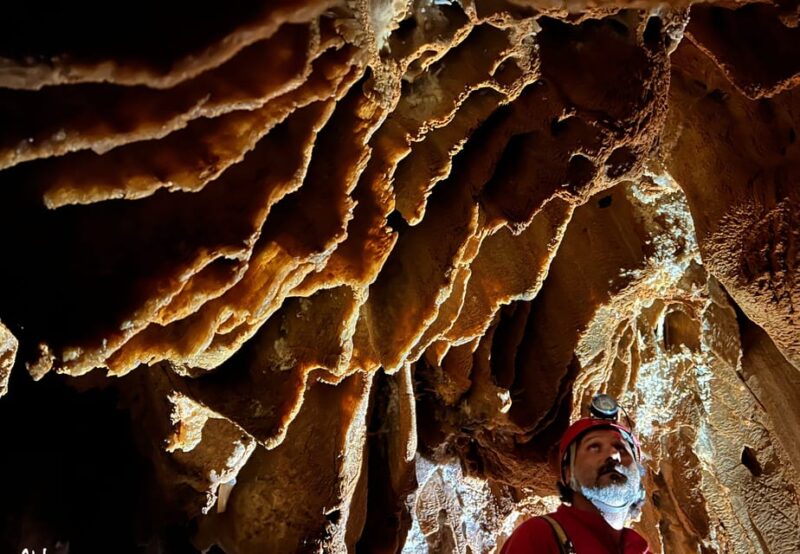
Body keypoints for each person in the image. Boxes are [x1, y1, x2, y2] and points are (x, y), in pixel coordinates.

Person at [500, 395, 650, 553]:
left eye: (621, 448)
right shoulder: (539, 537)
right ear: (568, 473)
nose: (613, 454)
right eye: (594, 447)